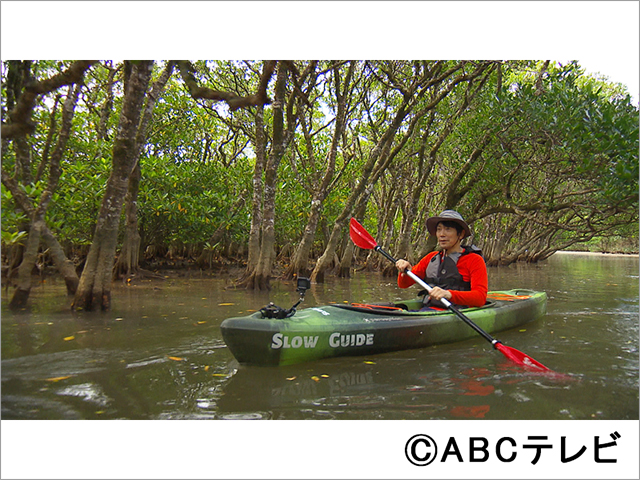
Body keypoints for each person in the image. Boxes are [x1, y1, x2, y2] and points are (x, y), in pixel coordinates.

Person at [395, 210, 487, 310]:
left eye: (448, 229)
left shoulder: (474, 260)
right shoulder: (431, 258)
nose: (442, 234)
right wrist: (405, 271)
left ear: (460, 234)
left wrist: (449, 294)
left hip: (457, 311)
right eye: (439, 230)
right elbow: (403, 284)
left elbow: (480, 298)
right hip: (429, 309)